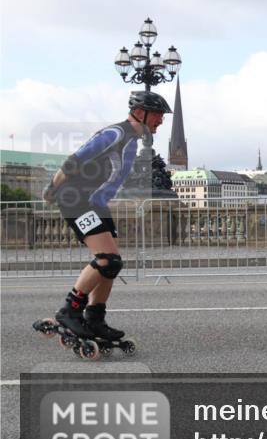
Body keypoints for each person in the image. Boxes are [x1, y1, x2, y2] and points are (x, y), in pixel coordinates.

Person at [33, 90, 172, 358]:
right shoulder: (116, 134)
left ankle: (95, 318)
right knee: (107, 260)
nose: (160, 121)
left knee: (112, 264)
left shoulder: (131, 142)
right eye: (157, 115)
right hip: (76, 199)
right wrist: (52, 188)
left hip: (96, 204)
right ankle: (70, 310)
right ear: (140, 112)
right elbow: (75, 160)